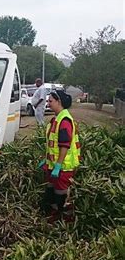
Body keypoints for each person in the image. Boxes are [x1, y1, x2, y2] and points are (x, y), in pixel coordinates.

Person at [38, 90, 80, 223]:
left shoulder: (64, 121)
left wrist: (58, 165)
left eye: (50, 101)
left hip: (63, 167)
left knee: (61, 194)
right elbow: (53, 145)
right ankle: (53, 215)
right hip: (54, 165)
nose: (48, 104)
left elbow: (64, 145)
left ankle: (65, 220)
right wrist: (48, 159)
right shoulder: (56, 119)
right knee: (51, 190)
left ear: (59, 102)